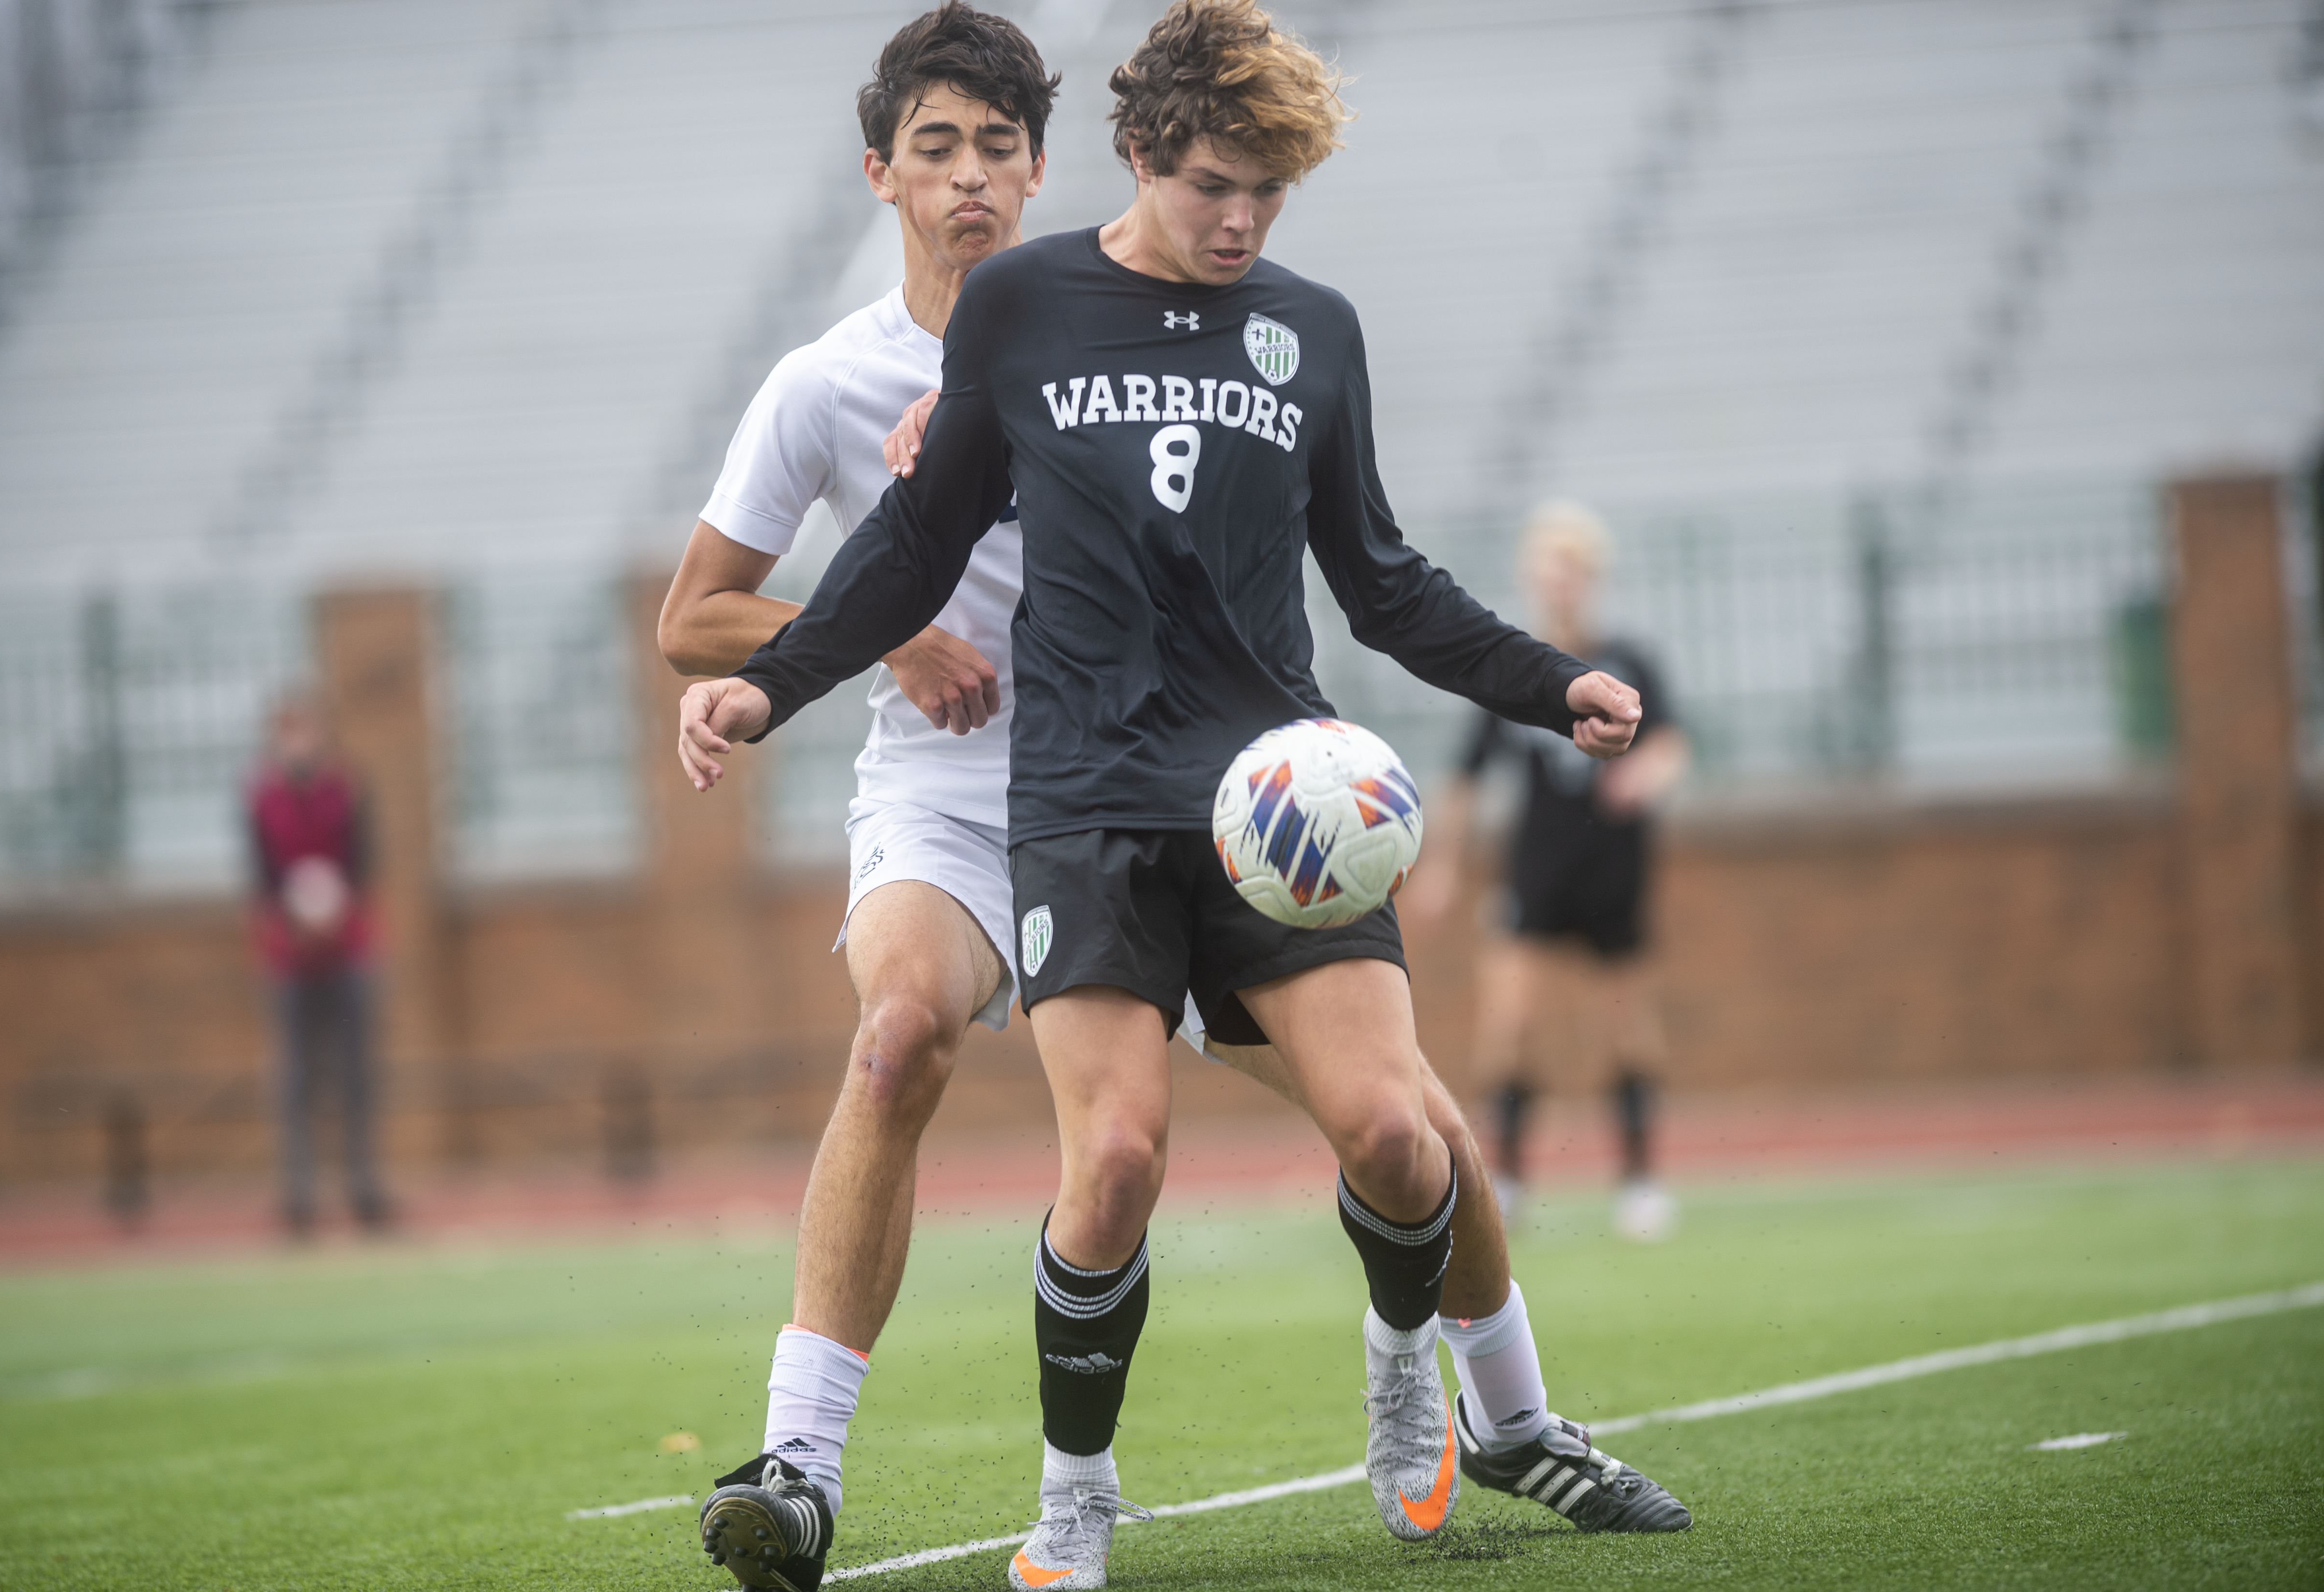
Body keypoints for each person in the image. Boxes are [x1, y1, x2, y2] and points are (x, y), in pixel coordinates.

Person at [680, 4, 1691, 1585]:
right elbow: (908, 547)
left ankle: (1436, 1392)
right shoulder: (1009, 314)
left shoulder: (1310, 329)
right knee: (1106, 1152)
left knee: (1405, 1136)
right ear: (1142, 156)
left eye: (1266, 194)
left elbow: (1381, 581)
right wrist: (774, 679)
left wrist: (1547, 683)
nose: (1237, 219)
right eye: (1212, 183)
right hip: (1067, 803)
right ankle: (1036, 1496)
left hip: (1274, 803)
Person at [654, 9, 1056, 1589]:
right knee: (895, 1040)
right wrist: (896, 625)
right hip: (944, 810)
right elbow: (694, 613)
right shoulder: (825, 383)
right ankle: (798, 1471)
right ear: (880, 169)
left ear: (1036, 170)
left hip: (1131, 798)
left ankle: (1491, 1395)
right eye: (936, 146)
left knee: (1368, 1104)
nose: (967, 177)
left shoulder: (1118, 336)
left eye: (997, 146)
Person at [1407, 502, 1691, 1241]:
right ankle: (1507, 1180)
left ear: (1590, 577)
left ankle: (1639, 1181)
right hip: (1535, 870)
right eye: (1547, 567)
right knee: (1511, 1026)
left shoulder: (1627, 661)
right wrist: (1440, 865)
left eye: (1571, 567)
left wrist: (1647, 779)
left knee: (1627, 1027)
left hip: (1612, 867)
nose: (1558, 582)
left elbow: (1669, 745)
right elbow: (1465, 777)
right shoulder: (1518, 670)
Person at [246, 688, 389, 1235]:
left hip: (347, 952)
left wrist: (335, 914)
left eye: (304, 729)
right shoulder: (263, 799)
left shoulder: (346, 789)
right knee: (296, 1078)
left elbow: (361, 864)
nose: (297, 741)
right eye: (288, 731)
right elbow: (262, 877)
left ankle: (364, 1186)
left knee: (357, 1075)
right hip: (288, 959)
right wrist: (292, 921)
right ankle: (299, 1193)